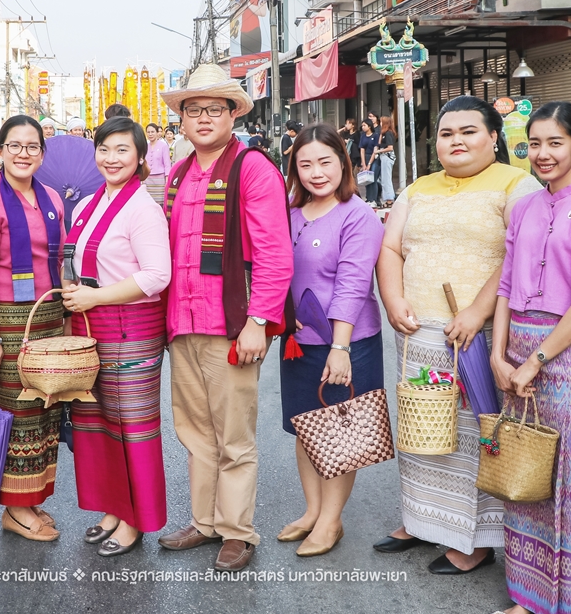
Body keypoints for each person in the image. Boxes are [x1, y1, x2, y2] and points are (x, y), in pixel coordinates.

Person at [375, 95, 539, 573]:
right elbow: (390, 247)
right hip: (418, 332)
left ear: (493, 137)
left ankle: (472, 541)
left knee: (472, 436)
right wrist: (392, 299)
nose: (457, 141)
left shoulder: (517, 184)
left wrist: (475, 312)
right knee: (422, 430)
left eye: (469, 131)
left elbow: (518, 258)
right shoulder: (418, 188)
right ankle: (421, 520)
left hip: (478, 335)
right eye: (447, 133)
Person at [155, 63, 293, 572]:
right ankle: (205, 520)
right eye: (195, 109)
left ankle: (237, 530)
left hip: (230, 324)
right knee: (195, 432)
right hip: (182, 323)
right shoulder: (179, 171)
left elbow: (275, 252)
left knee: (234, 436)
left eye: (215, 108)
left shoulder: (252, 167)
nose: (205, 117)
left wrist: (259, 320)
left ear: (233, 113)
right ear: (183, 120)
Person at [490, 102, 571, 614]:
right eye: (533, 144)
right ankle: (528, 596)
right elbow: (504, 285)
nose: (542, 154)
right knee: (525, 472)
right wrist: (498, 354)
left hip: (565, 356)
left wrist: (534, 361)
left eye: (554, 143)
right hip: (516, 347)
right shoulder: (523, 206)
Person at [61, 117, 172, 557]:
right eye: (105, 149)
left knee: (132, 428)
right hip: (91, 325)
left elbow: (157, 275)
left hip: (131, 330)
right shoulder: (86, 203)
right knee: (98, 424)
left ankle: (134, 520)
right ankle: (111, 507)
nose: (111, 158)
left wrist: (95, 296)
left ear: (141, 157)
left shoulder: (142, 208)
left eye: (122, 150)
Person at [277, 124, 385, 557]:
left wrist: (340, 348)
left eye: (325, 162)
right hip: (300, 342)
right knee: (306, 430)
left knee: (341, 434)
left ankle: (331, 521)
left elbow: (352, 286)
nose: (316, 172)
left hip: (347, 341)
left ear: (344, 162)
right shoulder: (289, 213)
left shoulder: (358, 215)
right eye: (305, 164)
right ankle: (312, 510)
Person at [0, 115, 66, 542]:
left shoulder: (52, 199)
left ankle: (31, 500)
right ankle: (14, 507)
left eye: (32, 147)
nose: (24, 154)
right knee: (15, 414)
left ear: (42, 154)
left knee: (45, 412)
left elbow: (57, 261)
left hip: (48, 318)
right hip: (7, 322)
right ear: (0, 151)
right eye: (15, 145)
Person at [375, 113, 398, 208]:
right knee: (383, 179)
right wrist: (381, 133)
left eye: (381, 122)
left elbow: (390, 147)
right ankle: (388, 198)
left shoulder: (388, 133)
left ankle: (390, 200)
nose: (379, 124)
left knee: (386, 179)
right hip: (384, 157)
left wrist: (379, 151)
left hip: (387, 156)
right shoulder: (384, 133)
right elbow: (379, 143)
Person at [143, 122, 170, 203]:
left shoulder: (163, 145)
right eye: (148, 132)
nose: (150, 134)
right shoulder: (145, 146)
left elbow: (167, 164)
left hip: (160, 180)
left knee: (160, 202)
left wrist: (167, 179)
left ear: (157, 133)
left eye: (152, 132)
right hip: (147, 179)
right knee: (148, 202)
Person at [357, 118, 380, 205]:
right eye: (362, 125)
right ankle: (368, 198)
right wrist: (363, 163)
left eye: (364, 125)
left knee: (373, 179)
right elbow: (362, 150)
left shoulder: (375, 135)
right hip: (365, 158)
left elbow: (375, 150)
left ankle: (373, 199)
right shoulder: (363, 136)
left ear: (369, 126)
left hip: (374, 158)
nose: (363, 127)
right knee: (366, 179)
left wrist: (369, 163)